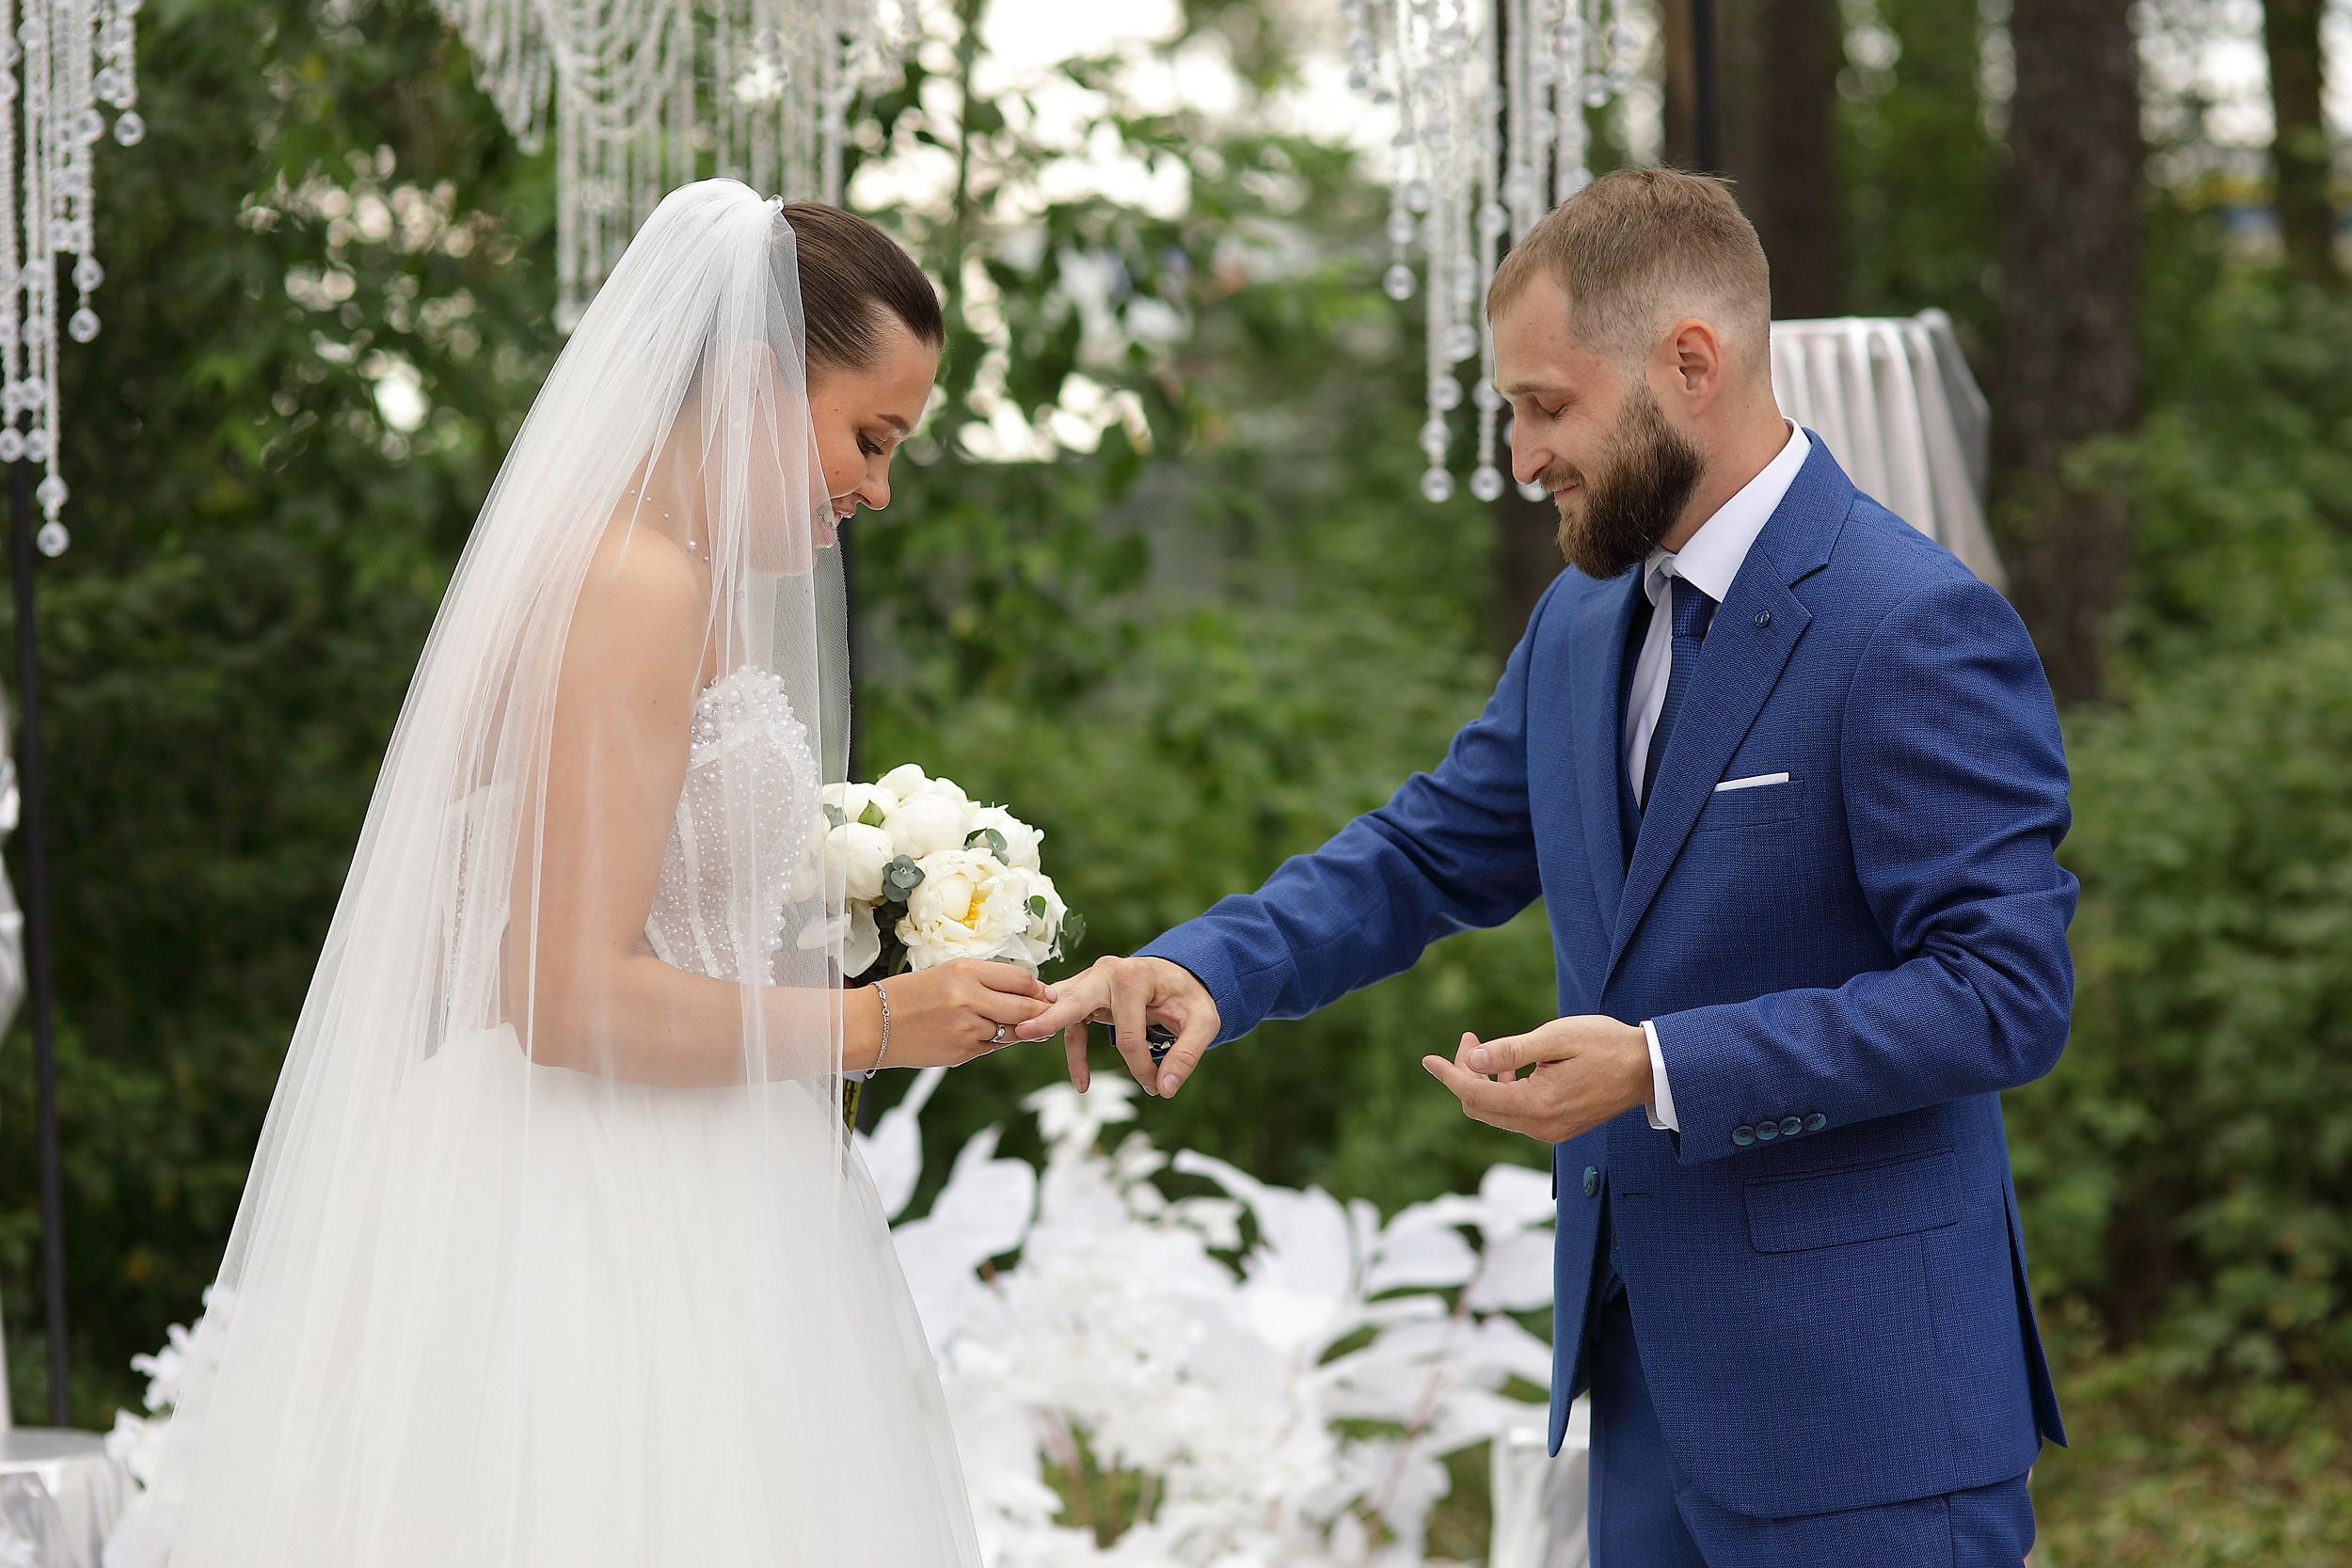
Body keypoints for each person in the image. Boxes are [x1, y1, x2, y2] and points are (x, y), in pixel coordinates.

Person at [1022, 168, 2074, 1567]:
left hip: (1867, 1429)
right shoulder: (1584, 621)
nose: (1521, 456)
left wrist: (1658, 1066)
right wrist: (1208, 964)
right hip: (1638, 1399)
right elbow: (1423, 850)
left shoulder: (1912, 626)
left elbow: (2003, 994)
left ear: (1688, 363)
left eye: (1544, 404)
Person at [105, 181, 1041, 1568]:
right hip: (593, 1205)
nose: (876, 488)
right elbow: (558, 992)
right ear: (748, 376)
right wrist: (876, 1025)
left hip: (697, 1167)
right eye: (868, 434)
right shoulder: (633, 584)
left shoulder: (637, 571)